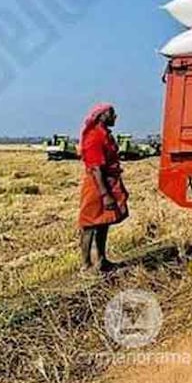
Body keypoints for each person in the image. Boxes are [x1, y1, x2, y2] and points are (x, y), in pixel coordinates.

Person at [77, 102, 130, 274]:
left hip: (107, 182)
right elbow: (96, 168)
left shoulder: (105, 134)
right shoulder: (94, 137)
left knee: (103, 222)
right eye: (111, 113)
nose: (115, 117)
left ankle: (101, 260)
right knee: (90, 224)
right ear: (101, 116)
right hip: (97, 185)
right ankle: (86, 265)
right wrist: (105, 194)